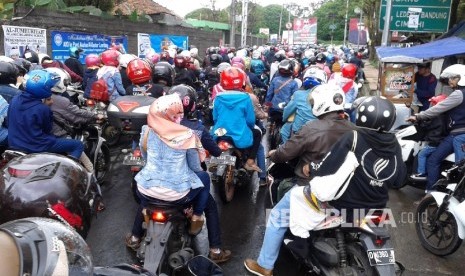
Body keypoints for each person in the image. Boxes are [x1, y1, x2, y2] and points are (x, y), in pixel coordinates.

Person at [244, 96, 406, 276]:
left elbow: (326, 166)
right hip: (376, 208)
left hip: (342, 205)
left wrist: (310, 167)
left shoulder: (353, 136)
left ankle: (266, 265)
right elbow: (399, 180)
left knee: (280, 212)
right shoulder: (394, 143)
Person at [126, 94, 231, 263]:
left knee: (149, 192)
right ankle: (214, 248)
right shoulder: (187, 134)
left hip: (145, 191)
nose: (180, 117)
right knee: (206, 189)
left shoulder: (146, 130)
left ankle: (134, 238)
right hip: (177, 195)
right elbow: (196, 168)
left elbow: (145, 158)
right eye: (177, 114)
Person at [408, 64, 465, 193]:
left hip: (459, 135)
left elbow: (439, 108)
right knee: (441, 161)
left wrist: (419, 116)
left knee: (455, 167)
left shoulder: (458, 94)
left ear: (462, 78)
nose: (450, 80)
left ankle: (435, 194)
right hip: (456, 134)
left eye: (453, 78)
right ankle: (436, 193)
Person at [8, 69, 84, 159]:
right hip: (37, 146)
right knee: (78, 145)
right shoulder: (42, 108)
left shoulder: (15, 99)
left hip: (14, 144)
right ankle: (71, 171)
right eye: (49, 87)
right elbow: (47, 129)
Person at [211, 67, 262, 172]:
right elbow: (250, 121)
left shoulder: (218, 98)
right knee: (257, 133)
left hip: (221, 132)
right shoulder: (245, 97)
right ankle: (250, 161)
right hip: (240, 134)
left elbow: (215, 118)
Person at [280, 66, 326, 144]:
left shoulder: (298, 94)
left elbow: (287, 111)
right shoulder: (327, 96)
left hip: (299, 131)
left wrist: (284, 119)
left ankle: (285, 151)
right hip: (320, 132)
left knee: (284, 131)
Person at [410, 94, 448, 181]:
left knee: (422, 154)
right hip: (441, 141)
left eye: (434, 103)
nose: (432, 105)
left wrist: (419, 121)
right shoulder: (445, 116)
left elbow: (428, 126)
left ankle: (421, 173)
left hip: (435, 141)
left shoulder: (437, 116)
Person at [264, 59, 299, 126]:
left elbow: (269, 94)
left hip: (273, 107)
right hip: (286, 109)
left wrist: (267, 104)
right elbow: (294, 98)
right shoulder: (294, 83)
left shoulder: (275, 79)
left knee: (271, 120)